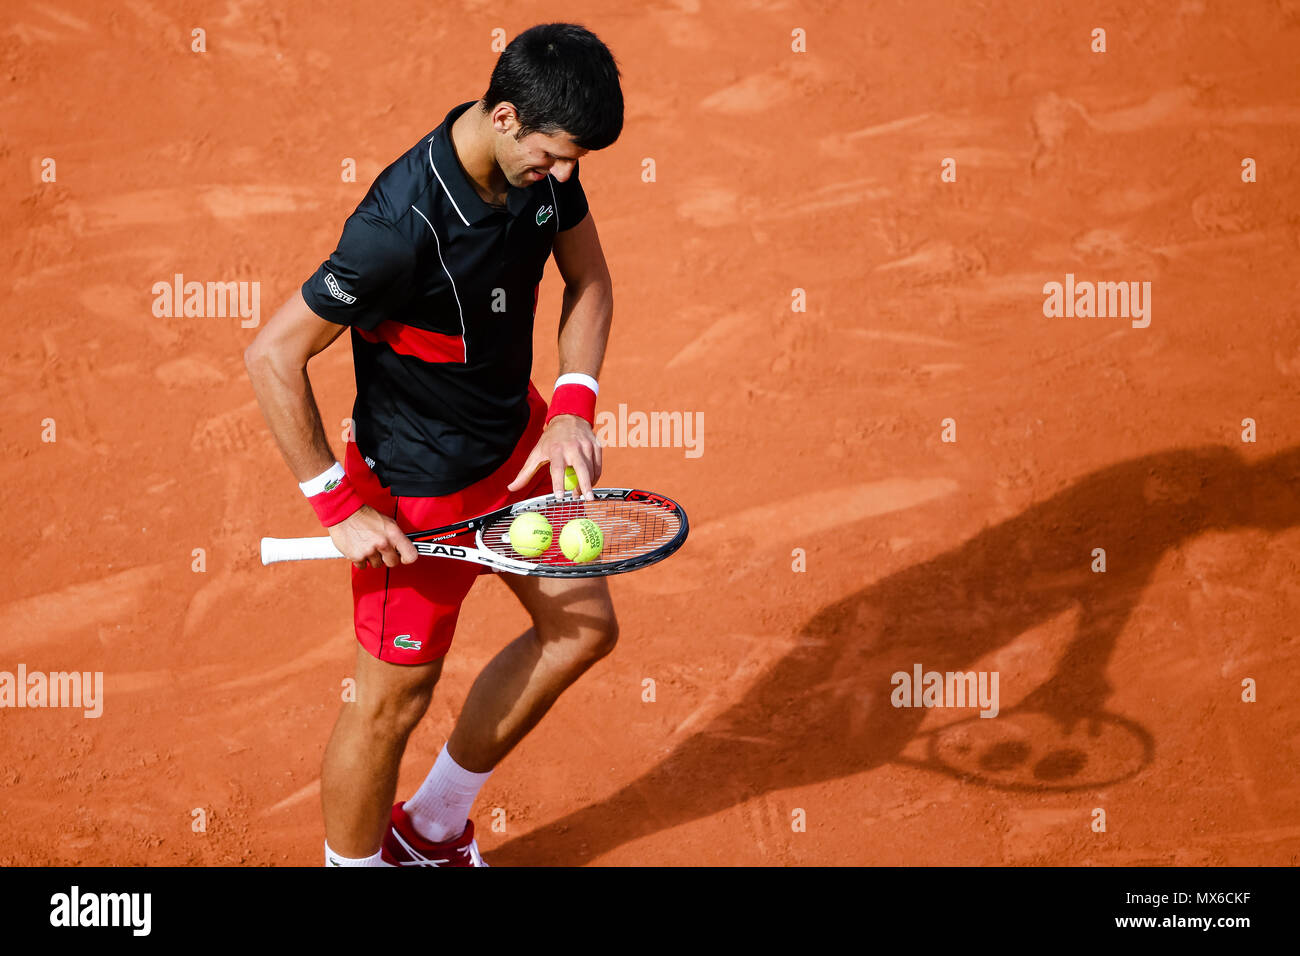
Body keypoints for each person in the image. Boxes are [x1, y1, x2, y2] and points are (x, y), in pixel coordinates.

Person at [244, 22, 623, 867]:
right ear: (505, 115)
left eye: (577, 162)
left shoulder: (545, 176)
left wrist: (571, 405)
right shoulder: (395, 227)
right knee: (390, 705)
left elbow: (589, 278)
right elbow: (272, 353)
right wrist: (335, 505)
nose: (564, 177)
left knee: (582, 629)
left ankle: (433, 827)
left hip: (519, 450)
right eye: (555, 156)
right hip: (414, 489)